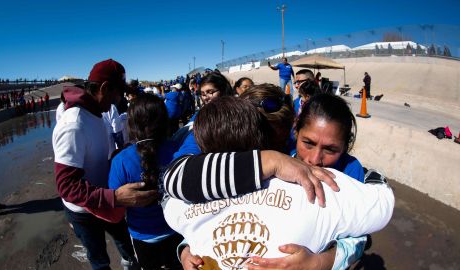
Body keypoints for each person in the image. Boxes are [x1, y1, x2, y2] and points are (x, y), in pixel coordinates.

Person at [162, 96, 394, 270]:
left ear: (346, 147)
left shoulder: (350, 173)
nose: (314, 160)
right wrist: (187, 248)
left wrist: (320, 262)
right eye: (308, 143)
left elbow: (359, 236)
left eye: (331, 149)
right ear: (296, 132)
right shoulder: (274, 161)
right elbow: (211, 211)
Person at [52, 59, 157, 270]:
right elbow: (66, 186)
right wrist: (116, 197)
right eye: (118, 93)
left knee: (125, 243)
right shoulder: (73, 124)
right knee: (99, 259)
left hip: (106, 199)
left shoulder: (96, 113)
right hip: (84, 211)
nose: (120, 99)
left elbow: (95, 156)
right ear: (104, 88)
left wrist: (119, 155)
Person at [109, 94, 183, 270]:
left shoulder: (120, 161)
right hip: (179, 229)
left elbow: (116, 212)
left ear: (132, 124)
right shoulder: (179, 150)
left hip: (144, 236)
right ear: (164, 120)